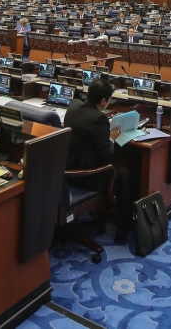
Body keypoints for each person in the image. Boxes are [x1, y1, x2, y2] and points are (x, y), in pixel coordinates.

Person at [63, 77, 130, 242]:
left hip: (66, 169)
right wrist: (112, 137)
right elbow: (107, 155)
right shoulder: (98, 119)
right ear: (103, 101)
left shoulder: (73, 106)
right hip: (86, 177)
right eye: (109, 100)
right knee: (125, 173)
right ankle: (122, 225)